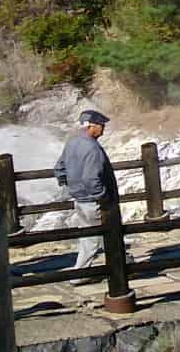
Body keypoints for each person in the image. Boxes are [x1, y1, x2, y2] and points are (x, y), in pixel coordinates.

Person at [53, 109, 120, 270]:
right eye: (101, 125)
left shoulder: (72, 142)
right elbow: (91, 179)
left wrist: (71, 187)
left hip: (79, 199)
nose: (103, 129)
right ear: (92, 126)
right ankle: (120, 268)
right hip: (94, 202)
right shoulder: (92, 148)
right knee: (108, 236)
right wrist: (102, 196)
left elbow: (59, 168)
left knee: (91, 238)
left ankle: (82, 272)